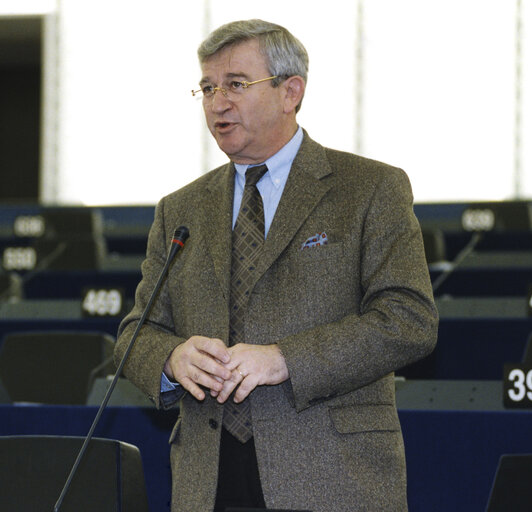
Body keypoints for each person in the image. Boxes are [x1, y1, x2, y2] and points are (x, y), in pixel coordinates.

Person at [115, 19, 438, 512]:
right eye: (207, 87)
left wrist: (285, 358)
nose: (217, 102)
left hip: (331, 474)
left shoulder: (369, 189)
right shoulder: (179, 209)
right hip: (209, 479)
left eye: (236, 85)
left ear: (291, 92)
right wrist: (171, 359)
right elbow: (137, 332)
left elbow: (409, 320)